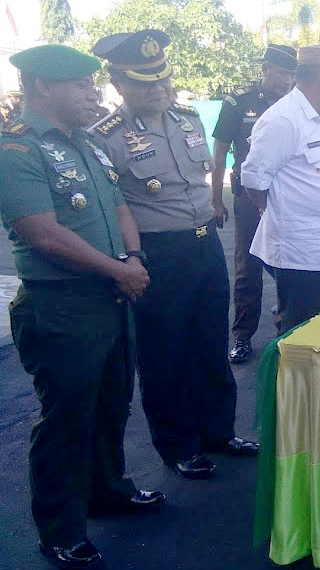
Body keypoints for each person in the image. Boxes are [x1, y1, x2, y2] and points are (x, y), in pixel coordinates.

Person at [1, 44, 165, 570]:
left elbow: (118, 206)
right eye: (82, 86)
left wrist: (133, 257)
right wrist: (121, 270)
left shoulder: (86, 146)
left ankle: (108, 492)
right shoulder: (17, 151)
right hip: (62, 307)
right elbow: (42, 235)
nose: (93, 94)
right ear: (44, 87)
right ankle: (61, 530)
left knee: (111, 403)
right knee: (66, 420)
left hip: (112, 295)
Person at [91, 29, 258, 481]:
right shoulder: (105, 137)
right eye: (146, 82)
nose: (159, 89)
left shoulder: (187, 118)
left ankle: (218, 432)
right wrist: (130, 258)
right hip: (158, 252)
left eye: (163, 79)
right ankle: (178, 444)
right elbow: (109, 209)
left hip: (205, 244)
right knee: (165, 352)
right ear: (119, 84)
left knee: (209, 342)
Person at [240, 46, 320, 334]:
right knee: (301, 337)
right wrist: (275, 211)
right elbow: (254, 180)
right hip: (301, 254)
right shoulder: (283, 119)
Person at [212, 43, 296, 364]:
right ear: (266, 69)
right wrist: (216, 199)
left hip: (286, 198)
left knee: (287, 263)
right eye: (282, 73)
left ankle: (285, 329)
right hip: (249, 199)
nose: (287, 80)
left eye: (291, 74)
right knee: (248, 269)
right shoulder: (238, 103)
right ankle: (243, 336)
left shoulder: (294, 105)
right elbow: (220, 151)